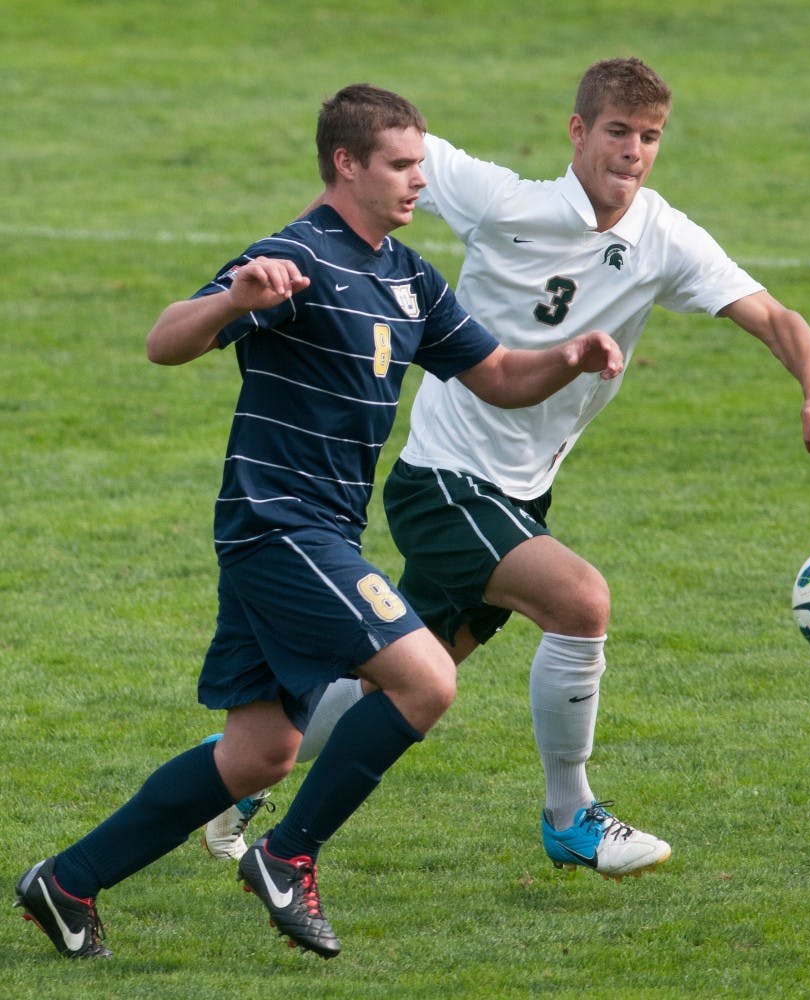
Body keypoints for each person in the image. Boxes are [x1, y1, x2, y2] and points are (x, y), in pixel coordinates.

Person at [203, 57, 810, 881]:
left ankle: (235, 768)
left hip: (520, 492)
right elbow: (350, 195)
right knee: (581, 601)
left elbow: (772, 314)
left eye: (649, 137)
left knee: (402, 684)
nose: (632, 152)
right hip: (444, 478)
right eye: (617, 131)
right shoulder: (504, 199)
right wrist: (299, 267)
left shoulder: (665, 236)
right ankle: (569, 815)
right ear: (579, 131)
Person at [13, 83, 624, 961]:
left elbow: (495, 376)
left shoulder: (409, 277)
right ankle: (288, 855)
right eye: (401, 165)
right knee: (426, 680)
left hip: (324, 532)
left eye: (421, 163)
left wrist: (567, 357)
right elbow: (164, 339)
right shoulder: (293, 259)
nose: (421, 181)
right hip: (277, 525)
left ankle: (65, 882)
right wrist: (233, 300)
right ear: (347, 164)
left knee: (259, 753)